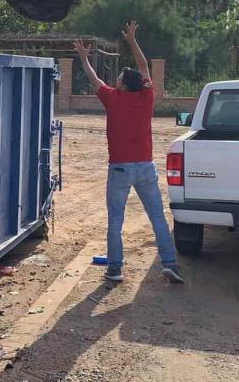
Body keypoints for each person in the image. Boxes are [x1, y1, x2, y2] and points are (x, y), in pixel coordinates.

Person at [73, 22, 183, 283]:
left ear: (123, 86)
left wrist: (83, 58)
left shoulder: (113, 99)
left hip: (120, 168)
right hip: (145, 168)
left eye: (119, 79)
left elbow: (94, 79)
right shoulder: (146, 98)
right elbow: (144, 67)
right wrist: (132, 41)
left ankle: (115, 268)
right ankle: (170, 263)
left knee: (116, 220)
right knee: (157, 217)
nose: (116, 80)